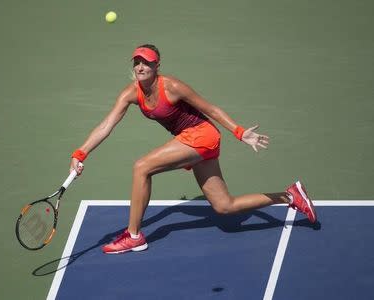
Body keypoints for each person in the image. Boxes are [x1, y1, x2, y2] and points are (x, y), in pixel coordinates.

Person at [69, 44, 317, 254]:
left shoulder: (172, 87)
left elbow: (210, 110)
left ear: (157, 66)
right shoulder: (129, 94)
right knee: (224, 207)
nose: (141, 67)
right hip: (190, 141)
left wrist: (240, 132)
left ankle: (133, 235)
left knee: (141, 167)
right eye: (137, 63)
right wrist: (80, 153)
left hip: (202, 136)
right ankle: (290, 195)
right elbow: (106, 125)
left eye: (147, 63)